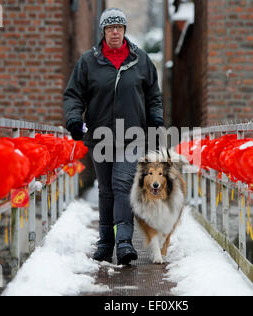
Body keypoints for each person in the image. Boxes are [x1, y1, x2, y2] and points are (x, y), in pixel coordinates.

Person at [63, 8, 164, 265]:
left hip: (132, 137)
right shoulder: (89, 61)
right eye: (110, 28)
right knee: (106, 189)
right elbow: (74, 95)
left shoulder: (140, 61)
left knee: (122, 184)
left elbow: (153, 96)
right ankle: (105, 243)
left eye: (119, 27)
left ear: (125, 30)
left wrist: (155, 121)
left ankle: (125, 242)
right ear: (103, 32)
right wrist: (74, 118)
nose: (115, 32)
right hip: (100, 137)